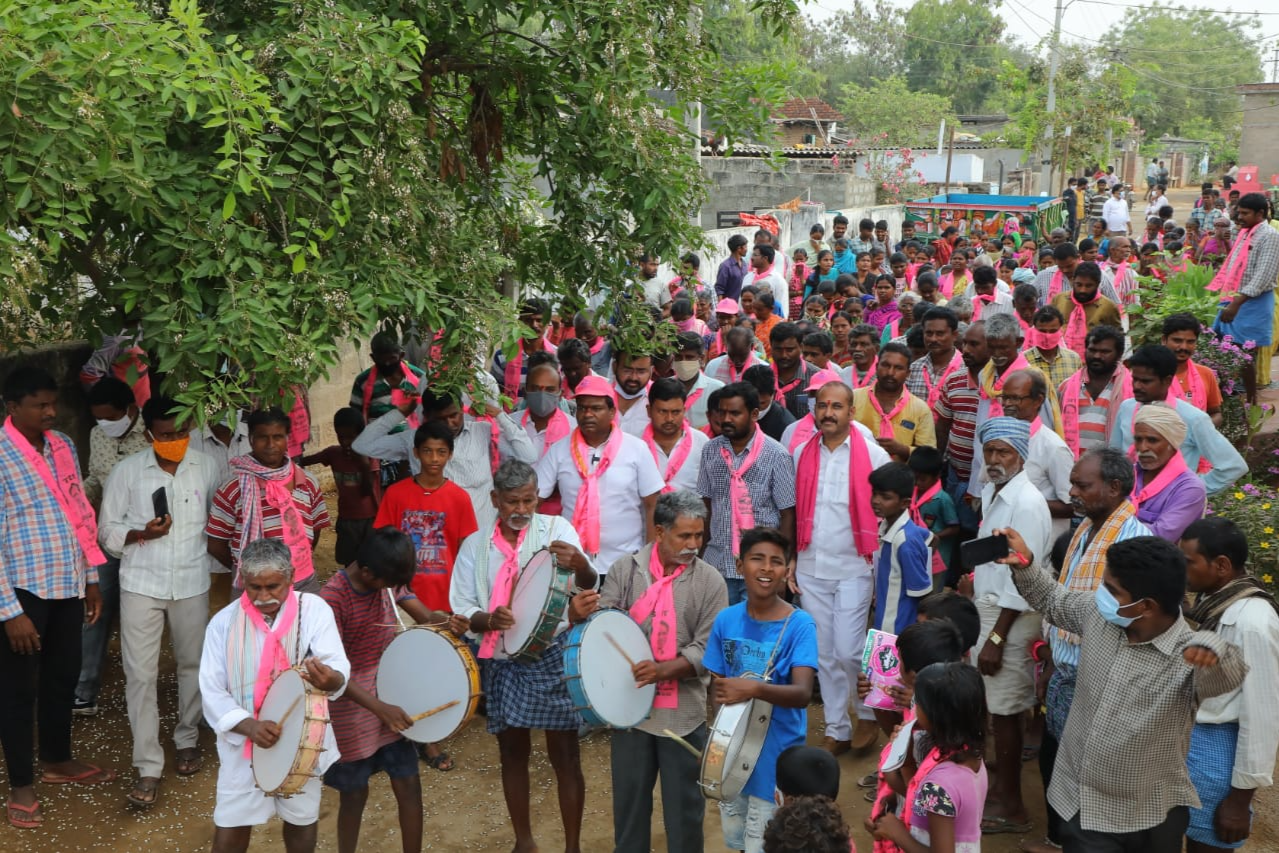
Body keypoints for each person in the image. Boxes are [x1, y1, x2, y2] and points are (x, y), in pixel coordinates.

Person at [998, 529, 1246, 853]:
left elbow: (1230, 673)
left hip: (1150, 815)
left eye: (1110, 589)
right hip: (1083, 805)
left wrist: (1213, 650)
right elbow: (1053, 600)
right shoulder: (1098, 616)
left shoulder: (1190, 656)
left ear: (1146, 606)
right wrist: (1025, 563)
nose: (1100, 593)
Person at [450, 460, 596, 853]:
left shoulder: (558, 531)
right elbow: (462, 607)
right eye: (512, 501)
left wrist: (581, 564)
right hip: (500, 658)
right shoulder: (475, 546)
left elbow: (588, 582)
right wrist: (487, 618)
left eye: (529, 500)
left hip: (552, 653)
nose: (521, 510)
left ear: (537, 496)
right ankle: (524, 842)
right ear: (495, 499)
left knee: (564, 755)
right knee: (512, 752)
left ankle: (572, 847)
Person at [582, 490, 728, 853]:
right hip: (629, 711)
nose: (693, 545)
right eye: (684, 536)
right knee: (629, 809)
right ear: (659, 532)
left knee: (685, 814)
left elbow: (707, 649)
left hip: (683, 716)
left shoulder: (710, 581)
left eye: (699, 535)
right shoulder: (624, 570)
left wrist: (662, 671)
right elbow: (606, 625)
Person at [0, 367, 115, 829]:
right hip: (21, 591)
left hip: (66, 582)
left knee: (63, 677)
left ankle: (56, 759)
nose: (51, 412)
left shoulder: (63, 445)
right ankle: (21, 783)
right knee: (17, 690)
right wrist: (10, 612)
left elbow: (78, 513)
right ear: (12, 407)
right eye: (39, 405)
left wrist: (90, 577)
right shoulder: (3, 455)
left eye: (53, 403)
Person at [1023, 448, 1149, 853]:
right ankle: (1058, 842)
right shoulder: (1084, 530)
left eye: (1082, 485)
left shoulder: (1134, 541)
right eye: (1073, 483)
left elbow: (1135, 623)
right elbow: (1063, 598)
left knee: (1085, 776)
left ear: (1114, 488)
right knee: (1055, 763)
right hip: (1066, 674)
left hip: (1100, 682)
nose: (1072, 492)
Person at [97, 395, 221, 807]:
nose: (176, 441)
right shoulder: (127, 472)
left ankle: (187, 737)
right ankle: (148, 764)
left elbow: (220, 521)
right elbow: (107, 531)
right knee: (140, 675)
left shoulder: (207, 467)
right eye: (166, 435)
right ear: (149, 434)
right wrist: (140, 535)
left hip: (191, 581)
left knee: (193, 665)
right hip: (141, 584)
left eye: (183, 432)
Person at [199, 538, 350, 853]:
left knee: (302, 821)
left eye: (273, 587)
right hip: (242, 743)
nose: (264, 596)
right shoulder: (222, 624)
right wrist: (249, 726)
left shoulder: (313, 610)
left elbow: (337, 667)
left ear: (291, 577)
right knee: (230, 830)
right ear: (242, 580)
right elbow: (212, 690)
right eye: (254, 587)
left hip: (301, 738)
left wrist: (332, 678)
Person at [319, 528, 441, 853]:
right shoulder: (332, 600)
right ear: (366, 571)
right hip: (350, 704)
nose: (390, 591)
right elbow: (332, 675)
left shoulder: (387, 577)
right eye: (386, 584)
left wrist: (446, 622)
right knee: (354, 792)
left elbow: (426, 617)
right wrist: (378, 707)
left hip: (392, 695)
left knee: (409, 784)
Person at [790, 380, 890, 756]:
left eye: (837, 406)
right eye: (822, 406)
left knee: (850, 650)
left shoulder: (873, 456)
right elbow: (795, 512)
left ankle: (867, 712)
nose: (828, 413)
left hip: (855, 563)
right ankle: (837, 729)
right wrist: (793, 560)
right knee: (823, 654)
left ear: (851, 411)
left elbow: (888, 509)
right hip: (812, 566)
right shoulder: (800, 452)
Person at [704, 526, 818, 853]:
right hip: (732, 756)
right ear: (740, 567)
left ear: (786, 571)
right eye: (757, 559)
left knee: (766, 843)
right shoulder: (726, 619)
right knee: (738, 841)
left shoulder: (799, 624)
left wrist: (752, 688)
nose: (767, 568)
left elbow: (802, 693)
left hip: (776, 759)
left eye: (776, 562)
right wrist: (723, 739)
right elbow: (718, 686)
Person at [972, 417, 1051, 835]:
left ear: (1020, 455)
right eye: (990, 451)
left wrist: (997, 638)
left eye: (1004, 452)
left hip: (1012, 618)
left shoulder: (1027, 503)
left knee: (1005, 710)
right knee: (995, 706)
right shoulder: (992, 490)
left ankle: (1013, 805)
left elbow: (1024, 579)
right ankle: (1000, 791)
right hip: (990, 608)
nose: (996, 459)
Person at [1181, 518, 1279, 853]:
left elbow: (1263, 715)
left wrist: (1239, 800)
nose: (1182, 569)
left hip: (1218, 759)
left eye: (1189, 561)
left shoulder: (1253, 621)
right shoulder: (1214, 605)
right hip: (1194, 748)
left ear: (1221, 565)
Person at [72, 376, 152, 717]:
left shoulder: (155, 435)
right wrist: (78, 499)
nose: (104, 424)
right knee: (93, 611)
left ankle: (147, 691)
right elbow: (95, 478)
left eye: (109, 417)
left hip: (147, 542)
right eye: (98, 418)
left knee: (143, 619)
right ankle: (84, 690)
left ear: (131, 409)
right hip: (107, 540)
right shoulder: (97, 434)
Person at [352, 385, 537, 530]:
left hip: (481, 537)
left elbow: (528, 455)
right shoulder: (414, 440)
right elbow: (361, 445)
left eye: (454, 415)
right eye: (441, 419)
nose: (450, 424)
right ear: (426, 417)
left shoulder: (483, 432)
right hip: (436, 539)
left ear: (462, 410)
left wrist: (500, 416)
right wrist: (401, 412)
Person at [534, 375, 662, 577]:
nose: (587, 414)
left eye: (596, 408)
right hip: (574, 564)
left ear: (612, 411)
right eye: (582, 408)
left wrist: (650, 557)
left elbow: (652, 504)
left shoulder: (636, 449)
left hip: (627, 562)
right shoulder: (559, 450)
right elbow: (534, 499)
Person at [868, 662, 990, 853]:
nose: (914, 707)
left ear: (936, 714)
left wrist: (897, 833)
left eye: (918, 702)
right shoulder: (970, 755)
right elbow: (917, 797)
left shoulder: (939, 785)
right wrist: (905, 755)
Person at [206, 407, 331, 593]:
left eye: (278, 437)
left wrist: (297, 561)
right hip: (253, 586)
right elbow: (216, 544)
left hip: (302, 581)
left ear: (287, 439)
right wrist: (248, 569)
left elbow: (314, 530)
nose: (270, 444)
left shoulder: (306, 482)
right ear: (251, 440)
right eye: (262, 437)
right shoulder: (233, 488)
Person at [698, 383, 796, 605]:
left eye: (735, 413)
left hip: (760, 567)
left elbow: (788, 514)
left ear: (754, 414)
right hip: (717, 562)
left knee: (755, 633)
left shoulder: (776, 454)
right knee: (720, 630)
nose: (726, 419)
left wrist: (782, 566)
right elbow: (706, 505)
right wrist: (701, 557)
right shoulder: (711, 450)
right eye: (722, 412)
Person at [372, 420, 478, 619]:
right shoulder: (395, 494)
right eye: (427, 451)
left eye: (441, 452)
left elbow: (467, 552)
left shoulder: (460, 498)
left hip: (445, 598)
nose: (434, 458)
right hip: (402, 599)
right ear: (416, 452)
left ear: (450, 454)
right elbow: (382, 544)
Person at [1109, 345, 1246, 496]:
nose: (1136, 386)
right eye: (1134, 379)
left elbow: (1233, 466)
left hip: (1173, 507)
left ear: (1167, 381)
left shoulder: (1193, 418)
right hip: (1129, 503)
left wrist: (1188, 492)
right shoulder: (1126, 408)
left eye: (1145, 381)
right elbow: (1114, 458)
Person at [989, 370, 1075, 539]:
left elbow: (1071, 506)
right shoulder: (999, 440)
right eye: (1004, 397)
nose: (1007, 404)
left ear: (1038, 400)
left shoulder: (1053, 447)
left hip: (1038, 542)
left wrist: (1021, 502)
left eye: (1015, 398)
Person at [1212, 193, 1279, 404]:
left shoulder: (1269, 235)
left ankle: (1251, 399)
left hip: (1252, 302)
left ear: (1260, 213)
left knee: (1244, 352)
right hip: (1233, 297)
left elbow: (1263, 276)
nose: (1239, 217)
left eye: (1244, 213)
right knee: (1223, 345)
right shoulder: (1244, 233)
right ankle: (1230, 392)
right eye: (1238, 212)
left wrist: (1236, 304)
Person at [300, 407, 381, 567]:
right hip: (346, 518)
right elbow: (305, 461)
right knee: (349, 561)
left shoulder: (370, 457)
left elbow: (366, 491)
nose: (345, 442)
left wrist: (363, 465)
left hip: (369, 519)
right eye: (341, 437)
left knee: (370, 562)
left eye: (351, 437)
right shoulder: (334, 454)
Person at [350, 332, 427, 484]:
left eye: (391, 359)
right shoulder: (363, 382)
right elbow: (356, 419)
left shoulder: (419, 378)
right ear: (373, 358)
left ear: (402, 355)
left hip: (411, 450)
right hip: (379, 452)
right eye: (381, 359)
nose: (386, 364)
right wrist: (363, 459)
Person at [868, 462, 932, 639]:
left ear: (904, 503)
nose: (876, 501)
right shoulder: (890, 526)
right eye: (874, 494)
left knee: (887, 667)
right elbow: (929, 536)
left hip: (896, 628)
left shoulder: (904, 542)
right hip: (883, 620)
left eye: (885, 497)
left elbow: (922, 591)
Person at [1130, 403, 1207, 543]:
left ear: (1172, 443)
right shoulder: (1127, 474)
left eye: (1152, 440)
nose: (1142, 447)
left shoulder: (1189, 488)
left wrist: (1110, 526)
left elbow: (1160, 536)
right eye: (1138, 439)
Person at [851, 342, 935, 462]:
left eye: (898, 368)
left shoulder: (920, 409)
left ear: (908, 374)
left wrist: (902, 450)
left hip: (900, 478)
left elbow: (929, 455)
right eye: (885, 365)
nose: (890, 373)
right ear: (876, 367)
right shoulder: (854, 398)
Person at [1058, 324, 1128, 457]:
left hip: (1113, 468)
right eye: (1092, 350)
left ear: (1119, 354)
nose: (1097, 356)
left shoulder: (1130, 387)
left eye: (1105, 352)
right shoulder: (1067, 387)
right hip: (1073, 467)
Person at [642, 377, 709, 493]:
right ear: (649, 411)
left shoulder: (702, 443)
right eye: (662, 411)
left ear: (684, 410)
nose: (669, 419)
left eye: (676, 412)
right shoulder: (636, 445)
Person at [907, 447, 960, 588]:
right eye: (914, 478)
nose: (917, 482)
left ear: (937, 476)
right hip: (916, 550)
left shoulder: (942, 499)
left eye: (922, 479)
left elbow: (954, 528)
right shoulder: (911, 493)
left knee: (933, 589)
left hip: (937, 555)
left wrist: (933, 535)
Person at [905, 307, 963, 413]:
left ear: (954, 335)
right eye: (929, 333)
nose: (933, 339)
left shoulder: (965, 369)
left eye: (940, 334)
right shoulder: (914, 368)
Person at [670, 330, 724, 429]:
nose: (683, 362)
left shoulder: (716, 389)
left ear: (702, 358)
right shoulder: (665, 387)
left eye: (689, 357)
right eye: (679, 357)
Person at [1025, 305, 1083, 391]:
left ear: (1061, 330)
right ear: (1034, 330)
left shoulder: (1074, 359)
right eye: (1042, 331)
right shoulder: (1024, 360)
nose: (1047, 336)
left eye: (1053, 331)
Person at [743, 364, 797, 442]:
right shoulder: (734, 413)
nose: (755, 408)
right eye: (750, 402)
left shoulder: (785, 425)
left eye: (761, 403)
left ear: (773, 394)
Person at [613, 350, 655, 437]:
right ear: (614, 367)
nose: (633, 377)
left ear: (651, 371)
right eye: (627, 370)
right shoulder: (600, 395)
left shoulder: (659, 397)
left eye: (641, 372)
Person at [743, 245, 789, 319]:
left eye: (755, 255)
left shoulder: (778, 280)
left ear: (765, 258)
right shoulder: (748, 277)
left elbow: (782, 307)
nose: (751, 258)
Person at [840, 323, 881, 389]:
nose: (857, 349)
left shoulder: (884, 374)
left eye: (863, 344)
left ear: (876, 348)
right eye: (854, 344)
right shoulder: (844, 374)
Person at [716, 234, 750, 302]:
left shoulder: (745, 264)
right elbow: (719, 289)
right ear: (739, 248)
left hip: (743, 306)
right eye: (745, 246)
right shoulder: (725, 266)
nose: (747, 249)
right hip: (729, 307)